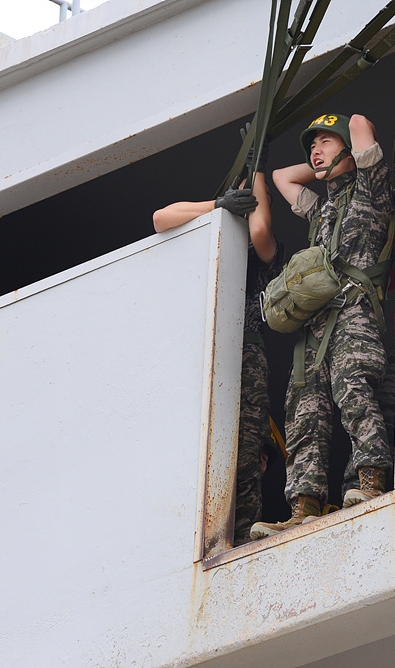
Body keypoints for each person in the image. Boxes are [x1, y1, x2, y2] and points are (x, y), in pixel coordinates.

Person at [250, 113, 395, 540]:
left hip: (354, 312)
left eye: (325, 143)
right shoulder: (322, 208)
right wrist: (321, 163)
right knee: (304, 409)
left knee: (354, 389)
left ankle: (369, 480)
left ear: (349, 150)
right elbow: (281, 177)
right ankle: (303, 506)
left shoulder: (372, 186)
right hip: (316, 326)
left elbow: (360, 123)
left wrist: (345, 144)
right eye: (311, 146)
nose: (315, 151)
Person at [152, 165, 283, 547]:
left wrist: (258, 171)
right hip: (203, 356)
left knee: (245, 454)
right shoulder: (209, 238)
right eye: (241, 198)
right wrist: (218, 205)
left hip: (246, 354)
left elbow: (259, 228)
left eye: (251, 201)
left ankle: (240, 538)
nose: (245, 205)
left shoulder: (265, 253)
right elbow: (161, 219)